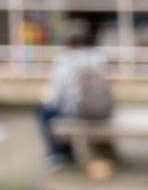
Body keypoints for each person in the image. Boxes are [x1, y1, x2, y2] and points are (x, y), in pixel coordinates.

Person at [40, 24, 115, 175]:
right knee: (58, 111)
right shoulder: (98, 57)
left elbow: (56, 95)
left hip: (79, 111)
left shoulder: (63, 61)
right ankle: (68, 151)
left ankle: (59, 154)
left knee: (46, 112)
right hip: (103, 110)